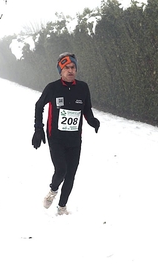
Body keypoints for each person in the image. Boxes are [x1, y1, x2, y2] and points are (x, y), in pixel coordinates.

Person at [32, 52, 100, 215]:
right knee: (61, 169)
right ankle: (53, 191)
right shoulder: (52, 88)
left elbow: (87, 110)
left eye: (73, 67)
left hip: (75, 139)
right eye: (67, 68)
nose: (70, 71)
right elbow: (39, 106)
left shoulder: (83, 88)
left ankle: (62, 207)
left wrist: (92, 121)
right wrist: (38, 129)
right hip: (55, 138)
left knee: (71, 174)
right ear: (60, 71)